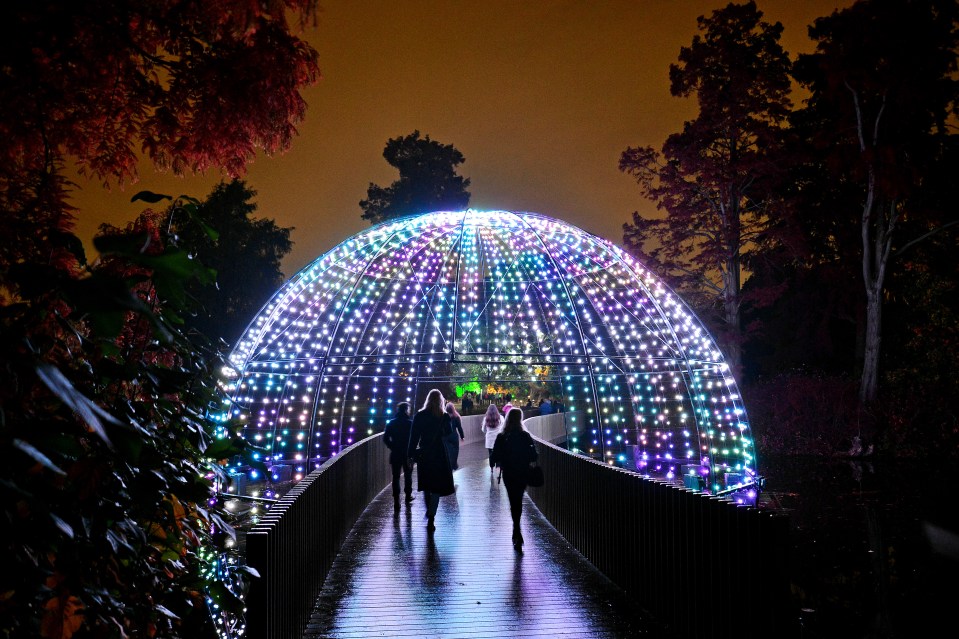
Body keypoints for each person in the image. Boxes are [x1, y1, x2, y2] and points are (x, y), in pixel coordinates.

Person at [408, 389, 455, 532]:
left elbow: (414, 436)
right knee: (436, 487)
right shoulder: (444, 416)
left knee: (427, 484)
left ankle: (428, 510)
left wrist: (410, 455)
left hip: (425, 453)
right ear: (441, 401)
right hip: (439, 453)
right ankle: (432, 516)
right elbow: (448, 433)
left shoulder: (420, 416)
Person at [492, 407, 538, 548]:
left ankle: (516, 528)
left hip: (509, 473)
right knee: (518, 498)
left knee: (513, 499)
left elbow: (494, 457)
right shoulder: (525, 436)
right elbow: (534, 455)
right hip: (522, 471)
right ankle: (517, 528)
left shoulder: (502, 437)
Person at [383, 402, 415, 511]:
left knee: (395, 477)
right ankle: (408, 496)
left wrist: (393, 447)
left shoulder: (391, 423)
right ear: (406, 410)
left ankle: (396, 500)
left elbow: (385, 438)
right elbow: (414, 439)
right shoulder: (410, 424)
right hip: (407, 453)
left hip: (395, 453)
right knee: (408, 475)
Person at [481, 403, 504, 475]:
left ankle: (491, 468)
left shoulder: (486, 418)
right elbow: (503, 428)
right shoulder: (501, 418)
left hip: (489, 439)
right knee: (499, 454)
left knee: (491, 454)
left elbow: (483, 429)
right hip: (498, 439)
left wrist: (487, 432)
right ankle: (498, 468)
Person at [444, 402, 465, 470]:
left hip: (446, 437)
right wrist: (462, 437)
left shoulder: (444, 416)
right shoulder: (456, 417)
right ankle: (454, 464)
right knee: (455, 451)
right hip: (454, 436)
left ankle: (448, 464)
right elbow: (459, 428)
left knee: (447, 451)